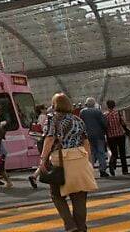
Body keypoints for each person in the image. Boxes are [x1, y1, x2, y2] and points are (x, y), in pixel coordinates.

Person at [40, 93, 97, 232]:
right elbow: (86, 142)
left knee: (56, 194)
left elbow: (49, 140)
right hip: (79, 158)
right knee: (79, 196)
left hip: (60, 160)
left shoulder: (53, 119)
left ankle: (70, 226)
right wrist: (88, 161)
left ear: (55, 105)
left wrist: (42, 160)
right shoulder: (78, 120)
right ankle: (81, 228)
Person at [80, 97, 109, 178]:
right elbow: (104, 123)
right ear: (94, 104)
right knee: (101, 153)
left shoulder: (82, 112)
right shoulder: (97, 111)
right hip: (99, 135)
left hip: (87, 135)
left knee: (90, 153)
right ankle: (102, 170)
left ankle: (90, 170)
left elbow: (81, 123)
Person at [103, 100, 130, 176]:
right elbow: (123, 123)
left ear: (107, 106)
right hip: (120, 134)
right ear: (114, 105)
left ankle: (112, 164)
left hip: (110, 136)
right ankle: (125, 170)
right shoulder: (118, 113)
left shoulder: (105, 115)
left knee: (114, 153)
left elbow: (104, 126)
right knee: (122, 153)